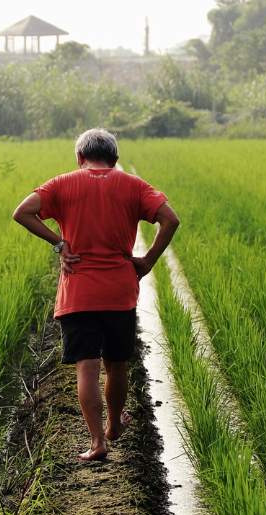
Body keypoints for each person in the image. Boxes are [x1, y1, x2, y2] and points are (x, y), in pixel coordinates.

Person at [12, 128, 180, 461]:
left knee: (86, 368)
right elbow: (170, 219)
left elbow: (22, 212)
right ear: (115, 159)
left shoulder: (61, 183)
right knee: (116, 365)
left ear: (79, 157)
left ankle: (96, 442)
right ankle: (115, 424)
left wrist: (60, 244)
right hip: (119, 291)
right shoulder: (133, 185)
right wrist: (147, 260)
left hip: (78, 290)